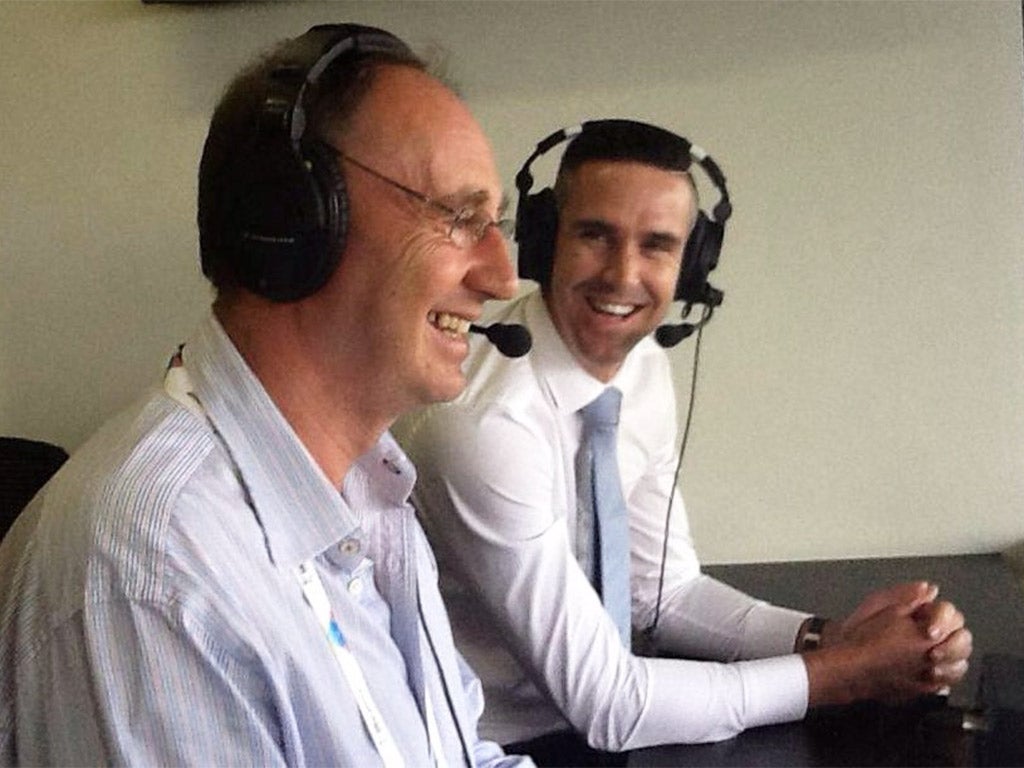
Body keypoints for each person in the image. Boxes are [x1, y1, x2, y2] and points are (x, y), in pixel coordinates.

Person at [0, 23, 531, 767]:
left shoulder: (368, 495)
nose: (502, 277)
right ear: (295, 222)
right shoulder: (155, 572)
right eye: (459, 217)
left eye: (495, 224)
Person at [395, 119, 973, 765]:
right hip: (484, 746)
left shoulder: (642, 372)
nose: (624, 275)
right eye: (595, 235)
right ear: (543, 238)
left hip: (612, 724)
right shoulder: (480, 422)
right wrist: (850, 672)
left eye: (658, 246)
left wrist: (830, 638)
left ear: (691, 265)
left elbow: (663, 592)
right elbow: (609, 702)